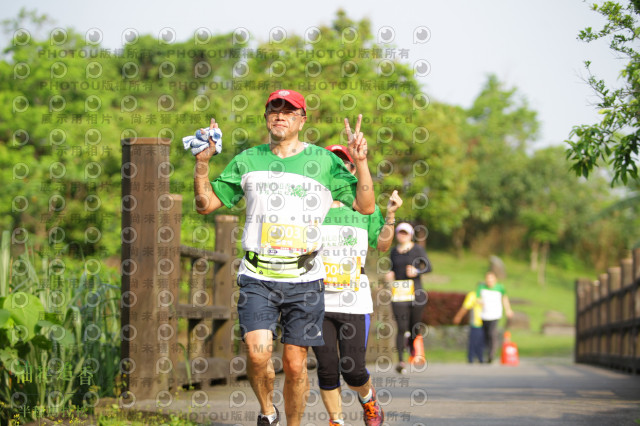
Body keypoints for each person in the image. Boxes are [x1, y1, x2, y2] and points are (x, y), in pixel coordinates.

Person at [193, 89, 375, 426]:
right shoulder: (248, 160)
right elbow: (205, 205)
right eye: (274, 109)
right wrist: (202, 164)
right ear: (266, 117)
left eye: (289, 110)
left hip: (304, 279)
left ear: (302, 120)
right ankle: (267, 411)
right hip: (257, 275)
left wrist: (361, 163)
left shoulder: (324, 161)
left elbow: (365, 206)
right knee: (257, 353)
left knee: (294, 365)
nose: (280, 114)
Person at [313, 144, 403, 426]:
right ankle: (336, 421)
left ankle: (369, 402)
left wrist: (389, 215)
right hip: (316, 298)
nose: (340, 168)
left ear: (354, 170)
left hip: (354, 299)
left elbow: (383, 244)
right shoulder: (311, 205)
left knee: (352, 369)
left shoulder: (365, 207)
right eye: (333, 164)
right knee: (327, 369)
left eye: (346, 164)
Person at [384, 223, 431, 374]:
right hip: (399, 293)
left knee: (415, 327)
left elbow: (429, 267)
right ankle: (401, 361)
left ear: (410, 235)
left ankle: (411, 344)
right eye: (400, 233)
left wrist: (416, 270)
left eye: (405, 233)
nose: (402, 235)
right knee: (401, 327)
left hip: (416, 292)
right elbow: (391, 269)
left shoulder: (417, 249)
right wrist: (389, 275)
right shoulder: (394, 252)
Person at [478, 270, 514, 363]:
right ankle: (486, 353)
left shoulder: (500, 288)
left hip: (495, 314)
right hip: (484, 315)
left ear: (495, 279)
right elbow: (477, 299)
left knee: (492, 333)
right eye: (488, 278)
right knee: (485, 336)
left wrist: (508, 309)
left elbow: (504, 298)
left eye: (491, 278)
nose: (489, 280)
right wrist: (479, 302)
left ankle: (491, 354)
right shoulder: (481, 287)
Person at [452, 289, 484, 363]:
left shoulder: (489, 295)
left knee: (483, 342)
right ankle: (471, 358)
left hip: (489, 322)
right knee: (474, 341)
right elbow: (465, 307)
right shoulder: (473, 295)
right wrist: (458, 316)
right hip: (476, 322)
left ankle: (482, 358)